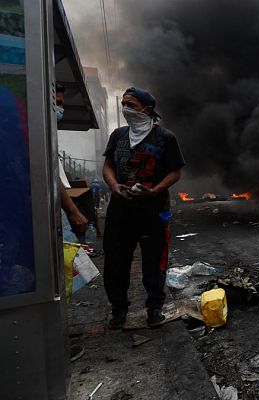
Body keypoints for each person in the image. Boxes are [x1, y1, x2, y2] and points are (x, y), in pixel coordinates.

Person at [102, 87, 185, 329]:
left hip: (153, 211)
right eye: (124, 105)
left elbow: (175, 172)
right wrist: (114, 185)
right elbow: (107, 165)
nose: (126, 109)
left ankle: (155, 309)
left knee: (154, 261)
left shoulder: (165, 138)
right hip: (120, 212)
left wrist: (154, 191)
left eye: (132, 105)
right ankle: (118, 310)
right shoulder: (118, 136)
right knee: (116, 262)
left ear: (147, 110)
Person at [56, 84, 87, 361]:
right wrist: (75, 213)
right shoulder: (35, 137)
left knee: (64, 279)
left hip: (57, 217)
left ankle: (56, 340)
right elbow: (54, 182)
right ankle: (54, 347)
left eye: (61, 102)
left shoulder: (43, 136)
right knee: (59, 281)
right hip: (53, 218)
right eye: (55, 101)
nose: (60, 108)